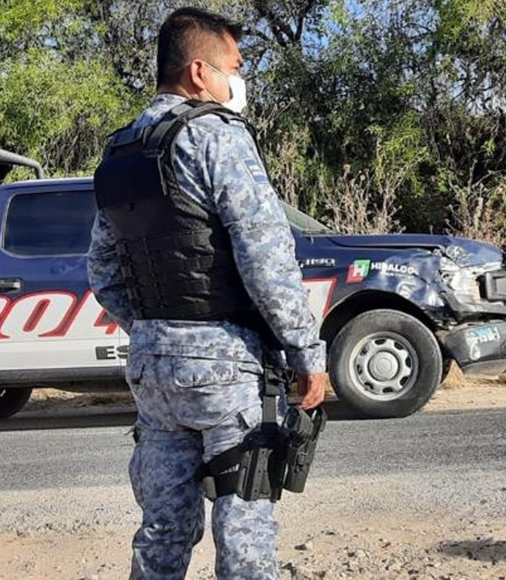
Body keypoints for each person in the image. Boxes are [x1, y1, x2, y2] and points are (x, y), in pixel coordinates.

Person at [87, 7, 328, 579]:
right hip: (226, 365)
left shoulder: (121, 150)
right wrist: (305, 354)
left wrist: (157, 329)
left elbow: (101, 269)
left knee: (164, 529)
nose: (237, 81)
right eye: (234, 67)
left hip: (152, 367)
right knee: (244, 530)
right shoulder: (215, 135)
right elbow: (265, 254)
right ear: (200, 72)